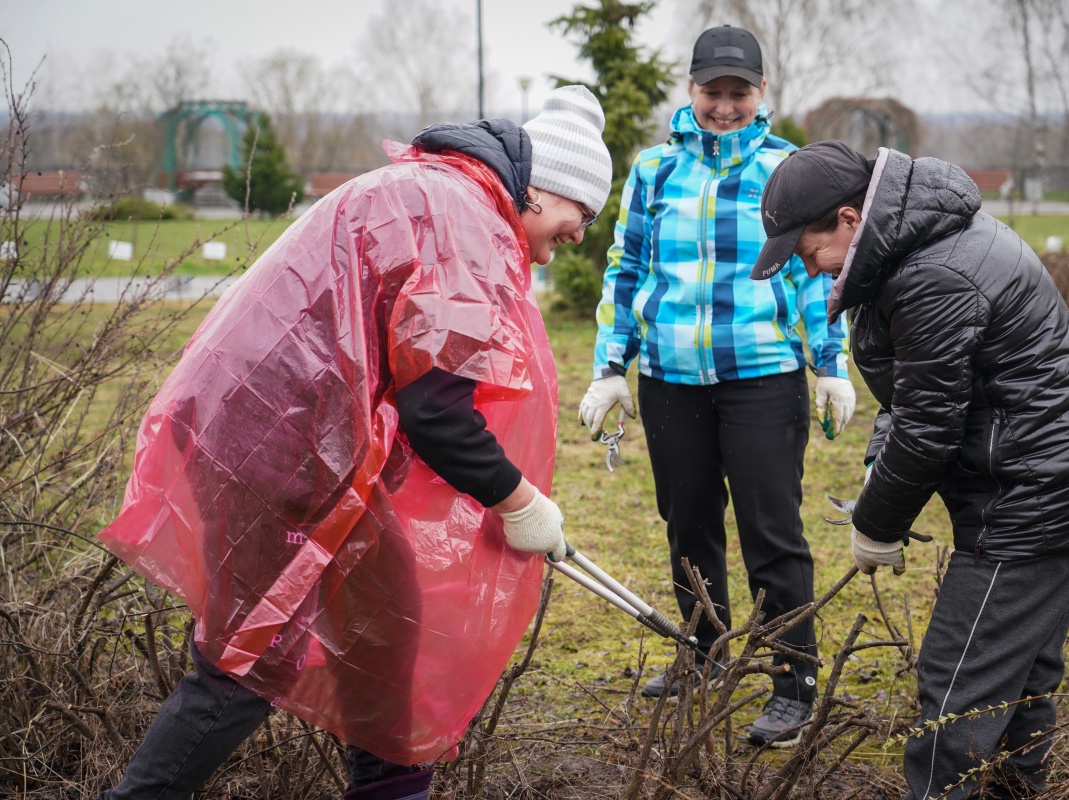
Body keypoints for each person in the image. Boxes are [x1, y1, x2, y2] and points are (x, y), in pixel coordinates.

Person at [96, 86, 612, 800]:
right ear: (543, 188)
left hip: (306, 444)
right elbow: (437, 407)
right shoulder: (463, 221)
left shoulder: (445, 197)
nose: (579, 236)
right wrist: (519, 502)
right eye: (579, 215)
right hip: (278, 453)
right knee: (249, 658)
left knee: (383, 632)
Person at [750, 140, 1069, 798]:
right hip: (1059, 479)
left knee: (959, 683)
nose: (811, 270)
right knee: (1020, 672)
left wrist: (877, 525)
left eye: (807, 251)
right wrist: (879, 471)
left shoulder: (932, 273)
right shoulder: (914, 246)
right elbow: (918, 395)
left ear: (849, 220)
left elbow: (931, 427)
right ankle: (1018, 789)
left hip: (1036, 497)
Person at [577, 25, 855, 749]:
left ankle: (792, 682)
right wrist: (612, 366)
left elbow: (818, 273)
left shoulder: (787, 169)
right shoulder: (653, 172)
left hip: (763, 375)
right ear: (691, 90)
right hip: (670, 380)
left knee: (772, 531)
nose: (724, 105)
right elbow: (626, 269)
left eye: (739, 92)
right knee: (689, 523)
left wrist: (830, 364)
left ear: (760, 94)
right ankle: (702, 656)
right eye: (712, 91)